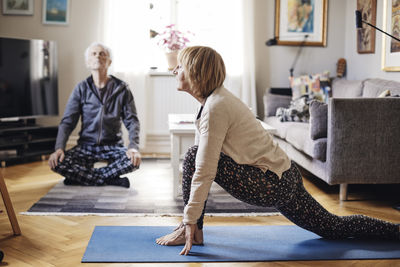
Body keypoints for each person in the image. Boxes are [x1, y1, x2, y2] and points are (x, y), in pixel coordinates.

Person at [155, 46, 400, 255]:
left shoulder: (215, 107)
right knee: (333, 227)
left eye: (180, 67)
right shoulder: (216, 101)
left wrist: (189, 219)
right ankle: (396, 231)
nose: (175, 70)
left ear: (196, 72)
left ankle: (191, 231)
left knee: (192, 157)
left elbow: (205, 168)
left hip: (270, 183)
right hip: (285, 176)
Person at [48, 42, 141, 188]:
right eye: (94, 53)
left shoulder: (122, 89)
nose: (98, 56)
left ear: (109, 62)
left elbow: (132, 121)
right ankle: (110, 179)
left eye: (102, 53)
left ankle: (82, 178)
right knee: (57, 163)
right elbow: (68, 121)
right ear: (87, 62)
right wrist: (59, 148)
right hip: (86, 146)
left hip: (113, 146)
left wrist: (133, 147)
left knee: (133, 160)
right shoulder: (81, 88)